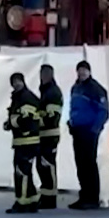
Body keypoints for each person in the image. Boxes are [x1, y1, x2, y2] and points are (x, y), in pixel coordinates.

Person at [68, 60, 109, 210]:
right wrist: (71, 123)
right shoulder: (76, 88)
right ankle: (84, 195)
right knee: (81, 164)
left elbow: (103, 110)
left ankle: (92, 197)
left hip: (89, 131)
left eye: (85, 70)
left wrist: (95, 128)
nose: (82, 73)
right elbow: (73, 108)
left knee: (89, 163)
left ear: (89, 72)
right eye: (80, 70)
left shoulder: (95, 89)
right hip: (78, 130)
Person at [3, 72, 41, 214]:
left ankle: (21, 202)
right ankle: (32, 200)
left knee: (21, 171)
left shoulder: (26, 97)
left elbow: (27, 119)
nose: (16, 84)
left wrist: (11, 124)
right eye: (13, 82)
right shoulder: (19, 97)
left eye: (18, 81)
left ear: (23, 81)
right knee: (25, 171)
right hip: (23, 141)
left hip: (27, 141)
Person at [37, 64, 63, 210]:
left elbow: (52, 116)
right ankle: (46, 195)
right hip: (44, 134)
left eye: (45, 74)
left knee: (48, 165)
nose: (43, 77)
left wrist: (37, 119)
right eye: (42, 74)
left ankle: (50, 198)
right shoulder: (46, 91)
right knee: (43, 166)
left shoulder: (53, 92)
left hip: (50, 134)